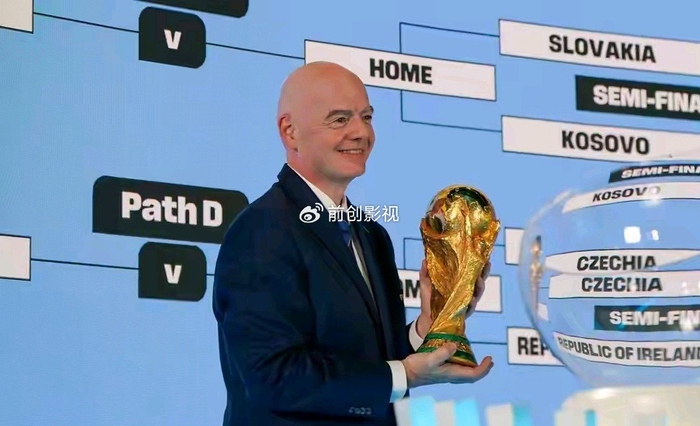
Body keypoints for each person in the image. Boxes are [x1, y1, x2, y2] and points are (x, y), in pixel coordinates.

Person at [212, 61, 494, 426]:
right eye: (340, 119)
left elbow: (371, 361)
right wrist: (405, 374)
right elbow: (275, 377)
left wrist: (429, 326)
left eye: (367, 117)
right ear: (290, 132)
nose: (361, 132)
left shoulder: (372, 234)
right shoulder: (261, 231)